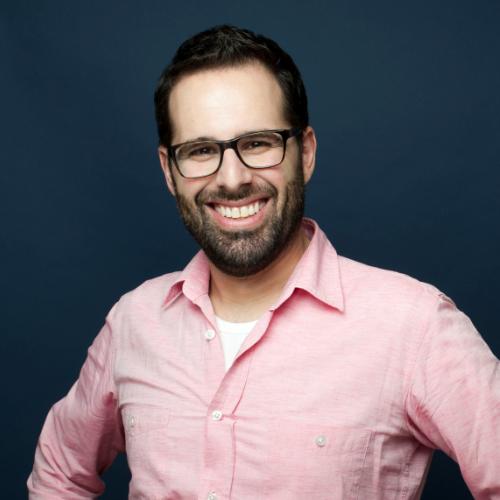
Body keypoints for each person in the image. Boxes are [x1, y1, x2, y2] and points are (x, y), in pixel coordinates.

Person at [28, 25, 500, 500]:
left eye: (257, 143)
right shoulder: (133, 322)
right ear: (169, 171)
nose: (232, 179)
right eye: (201, 151)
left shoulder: (414, 326)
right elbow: (58, 474)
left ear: (305, 153)